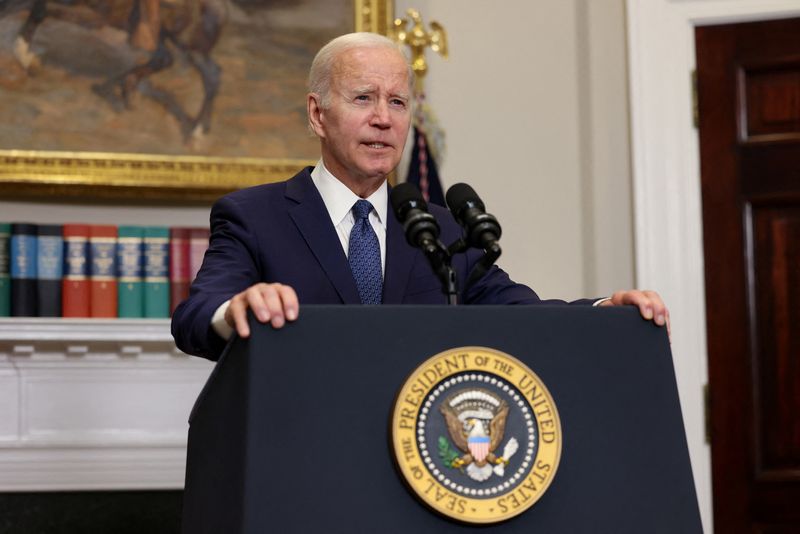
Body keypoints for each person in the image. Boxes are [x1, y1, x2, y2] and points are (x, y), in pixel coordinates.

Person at [171, 32, 668, 360]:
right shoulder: (255, 216)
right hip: (303, 455)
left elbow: (522, 315)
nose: (383, 119)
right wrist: (236, 308)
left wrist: (605, 312)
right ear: (317, 114)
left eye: (398, 102)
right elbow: (195, 316)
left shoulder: (441, 229)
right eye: (363, 98)